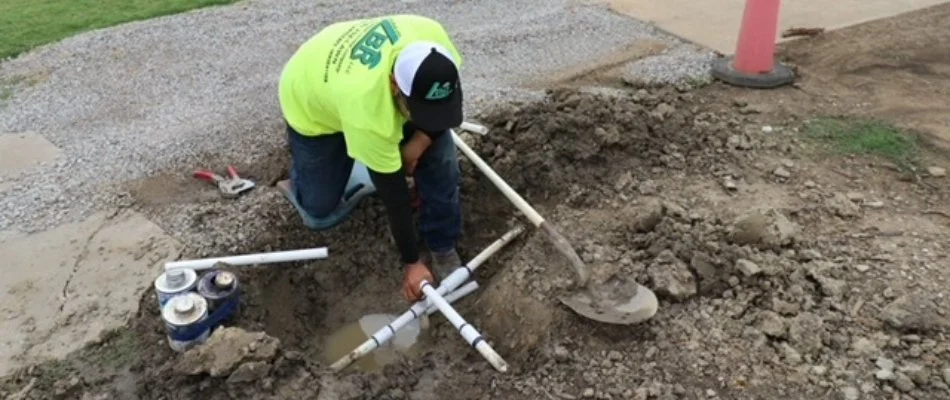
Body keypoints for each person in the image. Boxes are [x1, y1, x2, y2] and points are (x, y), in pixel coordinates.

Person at [275, 14, 465, 303]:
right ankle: (309, 173)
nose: (430, 119)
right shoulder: (367, 109)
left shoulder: (437, 44)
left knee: (443, 161)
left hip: (352, 86)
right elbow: (396, 199)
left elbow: (443, 115)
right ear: (393, 84)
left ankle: (442, 244)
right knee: (318, 210)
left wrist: (420, 141)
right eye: (419, 111)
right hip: (310, 98)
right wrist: (412, 263)